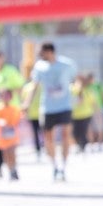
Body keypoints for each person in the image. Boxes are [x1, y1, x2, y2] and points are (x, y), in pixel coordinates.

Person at [27, 42, 78, 181]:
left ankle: (64, 165)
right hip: (47, 108)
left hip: (64, 106)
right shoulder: (39, 67)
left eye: (41, 52)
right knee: (48, 138)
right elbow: (34, 86)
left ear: (50, 51)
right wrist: (27, 103)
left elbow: (75, 80)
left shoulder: (67, 64)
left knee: (65, 136)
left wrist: (78, 93)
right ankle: (55, 166)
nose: (39, 55)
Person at [0, 89, 23, 181]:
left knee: (12, 152)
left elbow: (18, 119)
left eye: (7, 96)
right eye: (4, 96)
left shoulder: (14, 108)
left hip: (12, 134)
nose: (6, 98)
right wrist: (0, 122)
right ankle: (10, 170)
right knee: (6, 154)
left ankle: (14, 168)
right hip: (2, 136)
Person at [70, 73, 97, 154]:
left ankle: (82, 146)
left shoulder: (88, 90)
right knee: (75, 132)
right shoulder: (72, 89)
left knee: (83, 131)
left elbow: (93, 102)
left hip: (86, 114)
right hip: (74, 114)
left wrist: (94, 110)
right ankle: (78, 145)